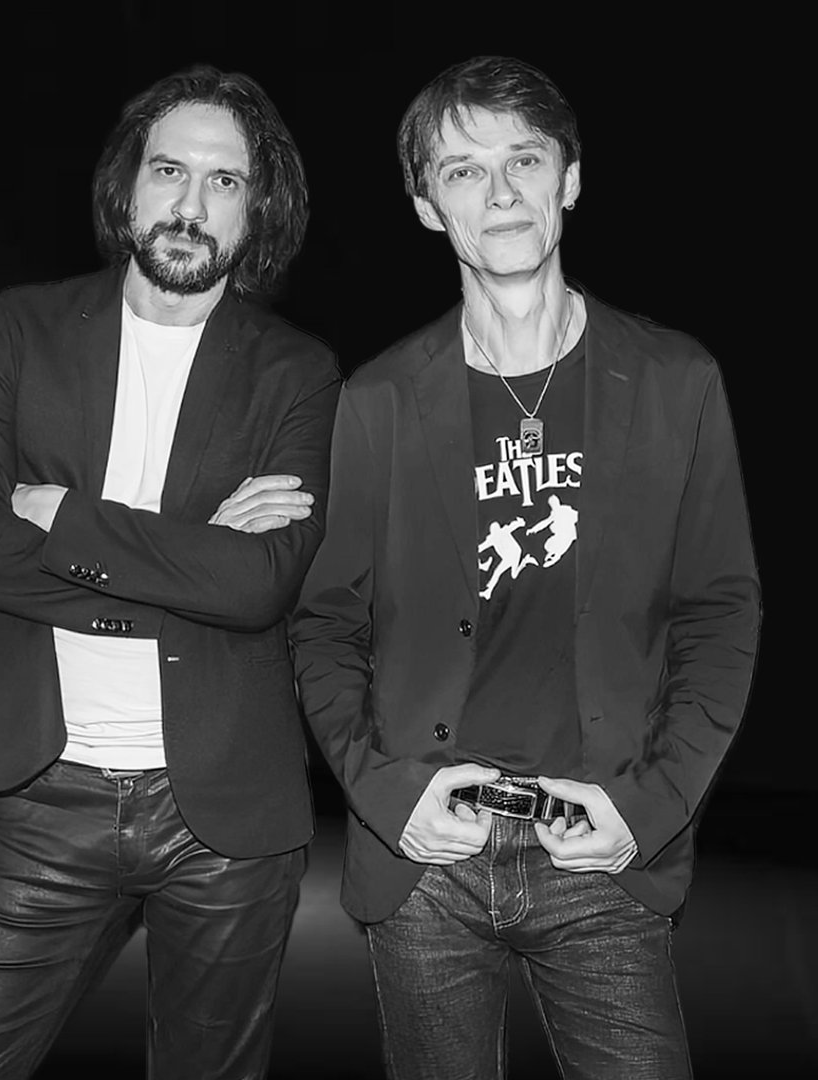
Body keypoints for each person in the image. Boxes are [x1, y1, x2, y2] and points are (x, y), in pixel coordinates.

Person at [291, 56, 760, 1079]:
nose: (498, 192)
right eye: (462, 171)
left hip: (598, 844)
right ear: (427, 205)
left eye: (524, 160)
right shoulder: (376, 399)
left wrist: (649, 807)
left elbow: (720, 614)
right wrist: (386, 794)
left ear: (570, 180)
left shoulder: (675, 380)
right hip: (431, 854)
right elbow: (324, 624)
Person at [0, 65, 338, 1078]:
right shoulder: (21, 328)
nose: (190, 204)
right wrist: (194, 557)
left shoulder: (297, 371)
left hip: (226, 818)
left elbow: (257, 587)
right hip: (42, 794)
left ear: (257, 208)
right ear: (126, 186)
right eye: (168, 170)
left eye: (224, 181)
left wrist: (64, 517)